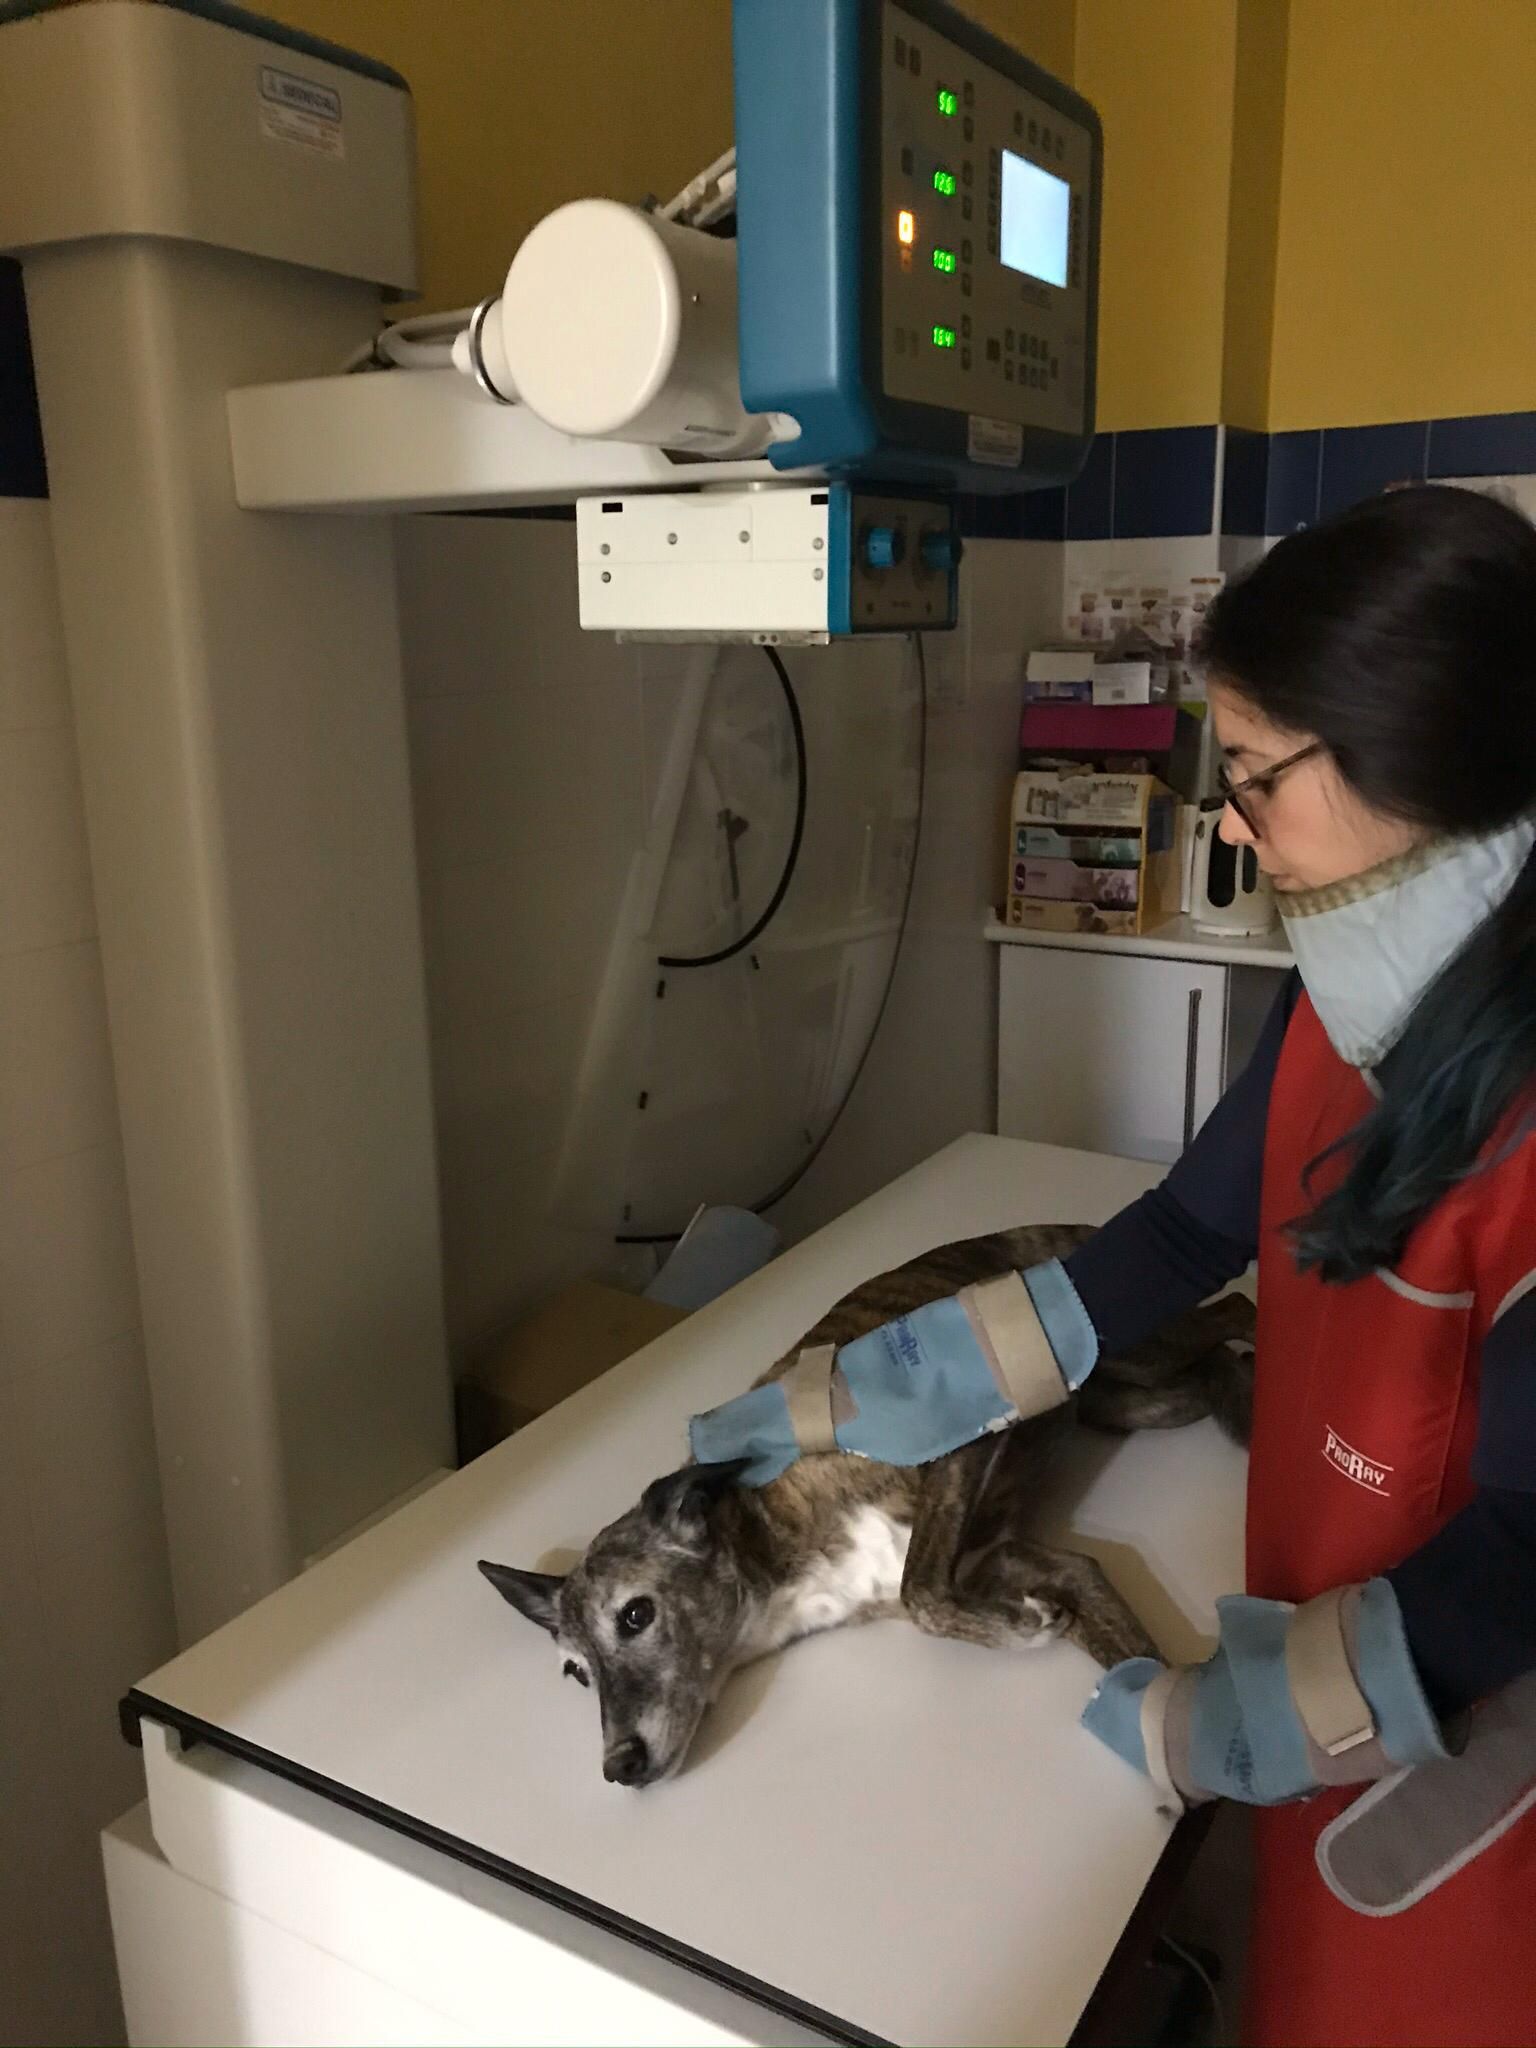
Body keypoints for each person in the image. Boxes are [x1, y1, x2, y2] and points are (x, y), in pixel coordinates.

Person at [692, 483, 1536, 2047]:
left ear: (1413, 771)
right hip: (1324, 1677)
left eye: (1259, 779)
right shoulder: (1347, 1005)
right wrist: (866, 1394)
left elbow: (1525, 1562)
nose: (1227, 820)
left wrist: (1227, 1718)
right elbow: (1172, 1240)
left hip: (1460, 1784)